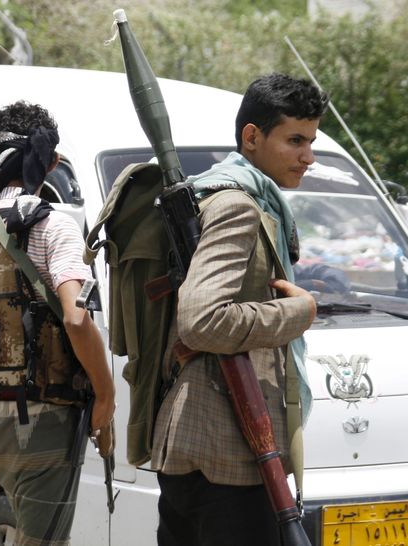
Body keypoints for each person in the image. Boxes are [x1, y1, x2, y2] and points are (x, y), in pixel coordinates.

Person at [150, 73, 327, 546]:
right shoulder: (236, 206)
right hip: (225, 446)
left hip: (208, 440)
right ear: (252, 137)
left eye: (310, 141)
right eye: (295, 140)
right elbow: (203, 319)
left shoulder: (230, 197)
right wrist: (298, 314)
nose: (307, 156)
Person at [0, 101, 114, 546]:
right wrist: (106, 395)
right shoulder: (55, 227)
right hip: (47, 420)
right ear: (50, 163)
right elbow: (76, 318)